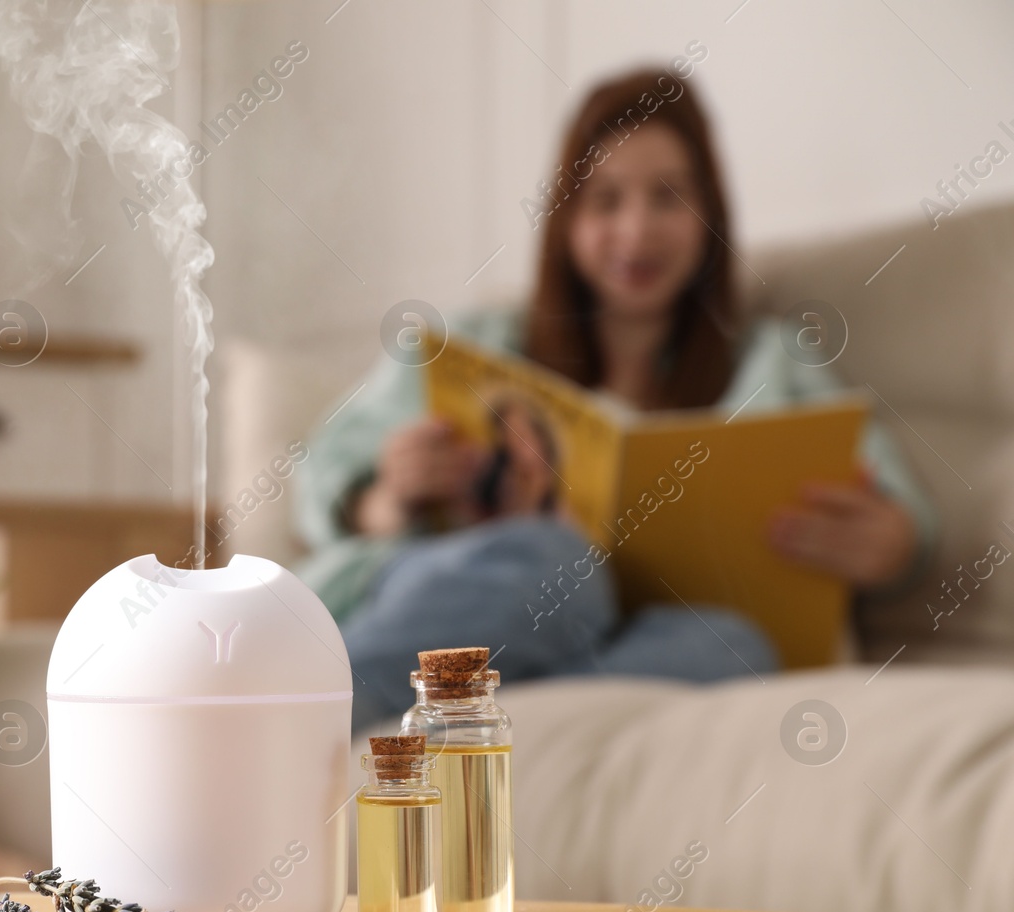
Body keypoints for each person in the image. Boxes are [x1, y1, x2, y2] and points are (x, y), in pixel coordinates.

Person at [293, 68, 938, 732]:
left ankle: (478, 733)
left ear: (709, 211)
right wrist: (385, 500)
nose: (637, 230)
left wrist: (892, 542)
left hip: (636, 641)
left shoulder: (774, 361)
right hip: (473, 602)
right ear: (566, 220)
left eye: (668, 197)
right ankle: (313, 718)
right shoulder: (474, 346)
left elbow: (897, 503)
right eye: (606, 201)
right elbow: (320, 475)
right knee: (558, 563)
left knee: (740, 646)